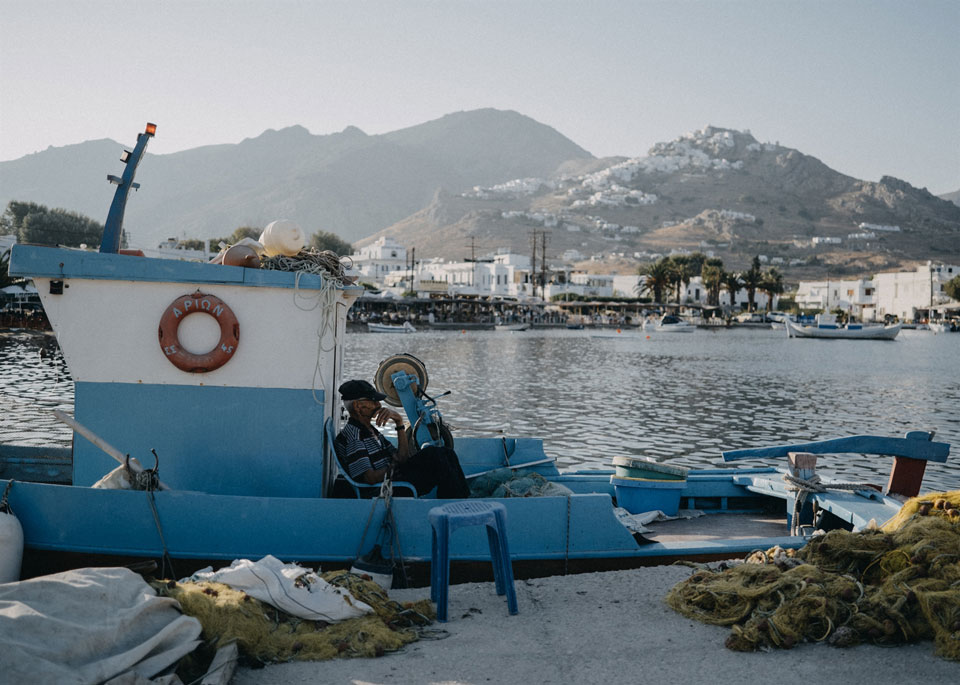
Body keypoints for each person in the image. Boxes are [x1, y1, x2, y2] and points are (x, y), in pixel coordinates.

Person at [334, 379, 470, 499]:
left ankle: (461, 498)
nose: (379, 405)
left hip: (395, 477)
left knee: (445, 453)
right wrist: (395, 467)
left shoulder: (370, 430)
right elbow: (371, 478)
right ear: (358, 406)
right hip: (386, 488)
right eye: (373, 401)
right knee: (437, 457)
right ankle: (454, 503)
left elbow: (401, 458)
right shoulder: (354, 436)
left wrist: (399, 422)